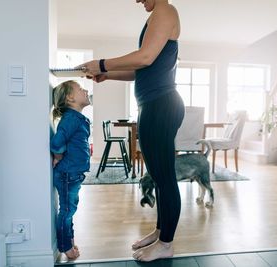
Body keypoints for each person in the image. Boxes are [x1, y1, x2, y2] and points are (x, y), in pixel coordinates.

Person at [78, 0, 184, 262]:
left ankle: (166, 243)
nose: (137, 0)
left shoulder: (165, 11)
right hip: (155, 103)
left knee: (164, 177)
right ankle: (161, 233)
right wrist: (108, 75)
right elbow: (145, 68)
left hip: (160, 105)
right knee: (159, 177)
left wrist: (103, 63)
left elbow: (145, 57)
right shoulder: (159, 14)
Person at [50, 80, 91, 260]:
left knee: (69, 210)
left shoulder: (76, 118)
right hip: (68, 174)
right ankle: (65, 247)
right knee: (67, 211)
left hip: (72, 174)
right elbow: (57, 142)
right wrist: (58, 156)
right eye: (81, 89)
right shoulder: (71, 119)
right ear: (70, 98)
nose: (86, 90)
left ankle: (69, 240)